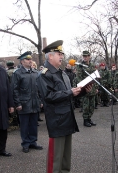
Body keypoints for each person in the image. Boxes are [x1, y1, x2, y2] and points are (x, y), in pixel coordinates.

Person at [37, 40, 91, 173]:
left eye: (62, 53)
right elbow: (49, 96)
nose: (62, 56)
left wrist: (82, 91)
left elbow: (68, 95)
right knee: (55, 159)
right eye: (59, 53)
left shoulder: (62, 73)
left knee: (66, 159)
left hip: (67, 118)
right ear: (50, 56)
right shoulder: (45, 74)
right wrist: (70, 92)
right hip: (57, 120)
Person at [11, 51, 43, 153]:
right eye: (27, 59)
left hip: (34, 103)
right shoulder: (17, 73)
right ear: (22, 62)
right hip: (24, 104)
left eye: (30, 59)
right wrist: (18, 103)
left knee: (33, 124)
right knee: (24, 125)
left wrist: (40, 101)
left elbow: (39, 88)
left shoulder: (35, 72)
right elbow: (14, 89)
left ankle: (33, 142)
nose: (30, 61)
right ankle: (25, 143)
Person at [76, 50, 98, 127]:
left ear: (89, 56)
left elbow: (95, 77)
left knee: (92, 105)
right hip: (85, 88)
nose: (85, 57)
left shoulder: (92, 65)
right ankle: (85, 120)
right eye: (84, 56)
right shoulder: (80, 66)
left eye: (86, 56)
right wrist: (82, 88)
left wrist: (96, 88)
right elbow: (79, 77)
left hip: (92, 88)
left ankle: (89, 119)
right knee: (86, 105)